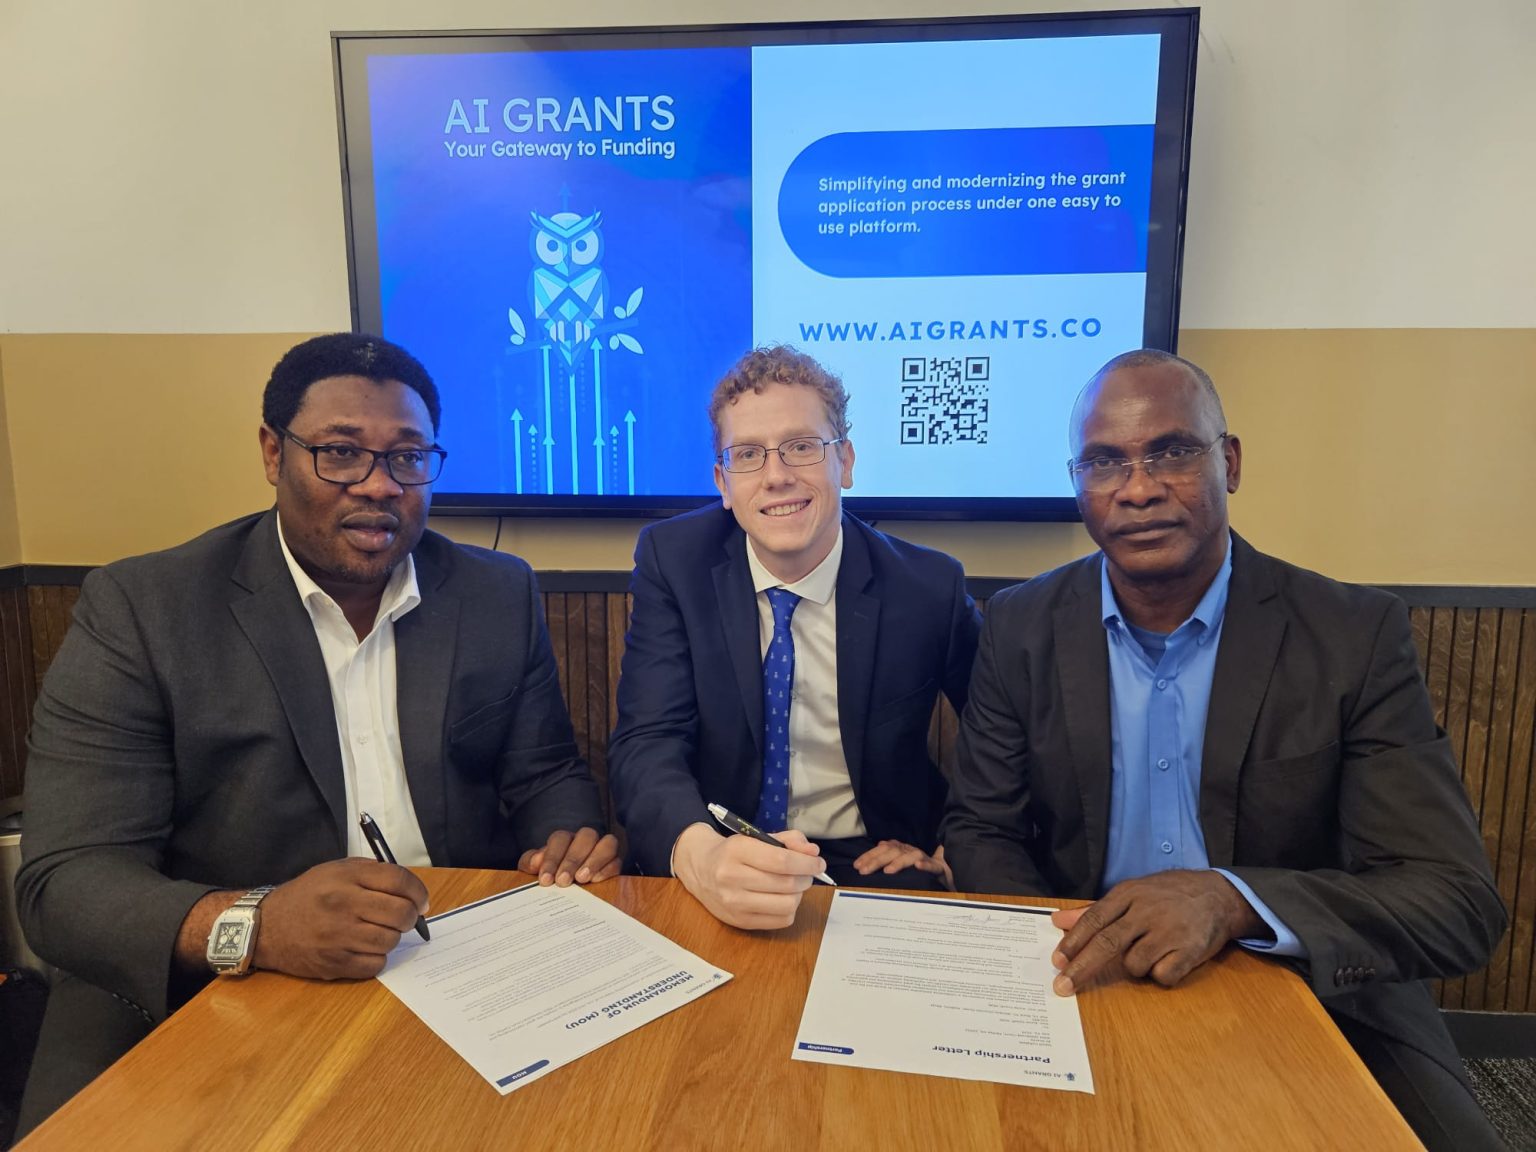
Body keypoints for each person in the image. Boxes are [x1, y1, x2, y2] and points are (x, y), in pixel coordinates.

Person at [15, 333, 618, 1132]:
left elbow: (545, 773)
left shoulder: (494, 592)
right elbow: (64, 883)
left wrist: (568, 837)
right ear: (274, 453)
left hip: (457, 963)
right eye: (340, 453)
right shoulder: (145, 609)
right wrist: (256, 927)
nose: (379, 485)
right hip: (221, 988)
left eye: (408, 458)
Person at [941, 348, 1508, 1151]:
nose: (1138, 488)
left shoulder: (1351, 635)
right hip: (1084, 976)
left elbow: (1454, 901)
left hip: (1309, 987)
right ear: (1077, 483)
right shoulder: (1020, 625)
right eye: (1104, 462)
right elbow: (980, 829)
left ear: (1229, 462)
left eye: (1171, 451)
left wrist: (1231, 899)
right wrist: (1068, 947)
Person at [608, 346, 981, 928]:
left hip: (874, 859)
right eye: (748, 455)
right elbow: (646, 741)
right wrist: (701, 855)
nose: (777, 476)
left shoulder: (927, 587)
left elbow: (1003, 736)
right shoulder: (674, 561)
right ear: (723, 483)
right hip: (724, 849)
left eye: (802, 447)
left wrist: (957, 845)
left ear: (845, 462)